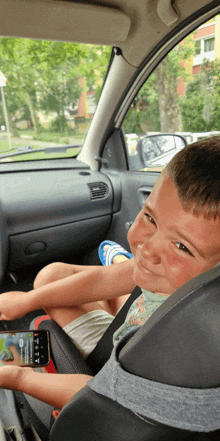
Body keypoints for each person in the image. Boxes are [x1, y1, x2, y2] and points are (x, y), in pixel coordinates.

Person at [0, 136, 220, 410]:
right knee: (55, 275)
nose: (147, 248)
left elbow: (105, 397)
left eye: (182, 247)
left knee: (87, 284)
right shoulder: (189, 281)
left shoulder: (173, 348)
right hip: (128, 330)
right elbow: (102, 279)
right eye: (150, 217)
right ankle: (119, 272)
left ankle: (116, 274)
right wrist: (25, 301)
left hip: (110, 373)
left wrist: (17, 376)